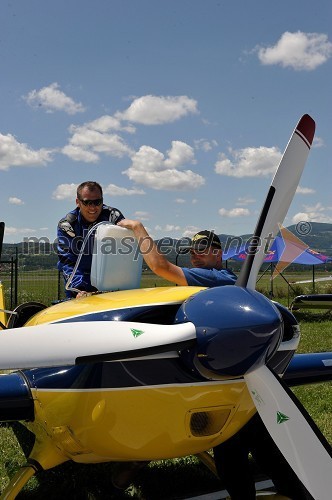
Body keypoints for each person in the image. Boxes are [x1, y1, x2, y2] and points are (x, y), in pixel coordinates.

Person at [117, 221, 237, 287]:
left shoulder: (216, 277)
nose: (195, 256)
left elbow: (161, 267)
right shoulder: (219, 278)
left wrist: (137, 227)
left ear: (218, 254)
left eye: (201, 250)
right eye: (191, 252)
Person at [57, 181, 124, 298]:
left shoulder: (113, 216)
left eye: (97, 202)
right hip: (79, 281)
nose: (92, 207)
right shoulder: (68, 225)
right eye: (87, 202)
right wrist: (79, 289)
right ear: (78, 202)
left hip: (108, 281)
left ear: (102, 201)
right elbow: (68, 261)